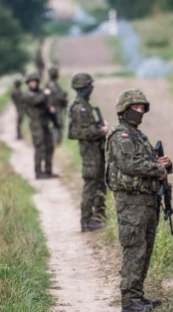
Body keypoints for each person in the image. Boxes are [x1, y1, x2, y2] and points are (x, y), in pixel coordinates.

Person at [105, 88, 173, 312]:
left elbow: (145, 161)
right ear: (124, 110)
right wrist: (157, 168)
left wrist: (163, 163)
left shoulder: (137, 134)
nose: (139, 111)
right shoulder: (121, 135)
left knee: (145, 247)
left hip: (146, 200)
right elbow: (129, 165)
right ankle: (129, 301)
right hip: (131, 201)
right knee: (134, 248)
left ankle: (137, 295)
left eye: (142, 108)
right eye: (135, 107)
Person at [67, 73, 108, 232]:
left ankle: (98, 216)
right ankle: (86, 221)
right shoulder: (80, 108)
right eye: (89, 85)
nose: (92, 88)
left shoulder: (84, 104)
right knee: (91, 184)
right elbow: (83, 132)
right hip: (90, 152)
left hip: (95, 151)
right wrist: (101, 130)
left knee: (99, 183)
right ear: (83, 88)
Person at [22, 71, 60, 179]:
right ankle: (38, 172)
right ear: (28, 83)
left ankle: (48, 170)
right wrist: (45, 94)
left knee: (49, 146)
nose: (33, 84)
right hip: (36, 124)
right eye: (31, 82)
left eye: (35, 82)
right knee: (39, 147)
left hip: (44, 123)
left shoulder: (40, 92)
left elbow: (46, 103)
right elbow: (36, 100)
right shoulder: (28, 94)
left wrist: (50, 110)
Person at [46, 66, 69, 145]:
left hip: (56, 107)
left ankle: (56, 142)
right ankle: (55, 142)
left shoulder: (52, 83)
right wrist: (64, 99)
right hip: (55, 108)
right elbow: (57, 96)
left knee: (58, 125)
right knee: (57, 125)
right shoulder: (52, 84)